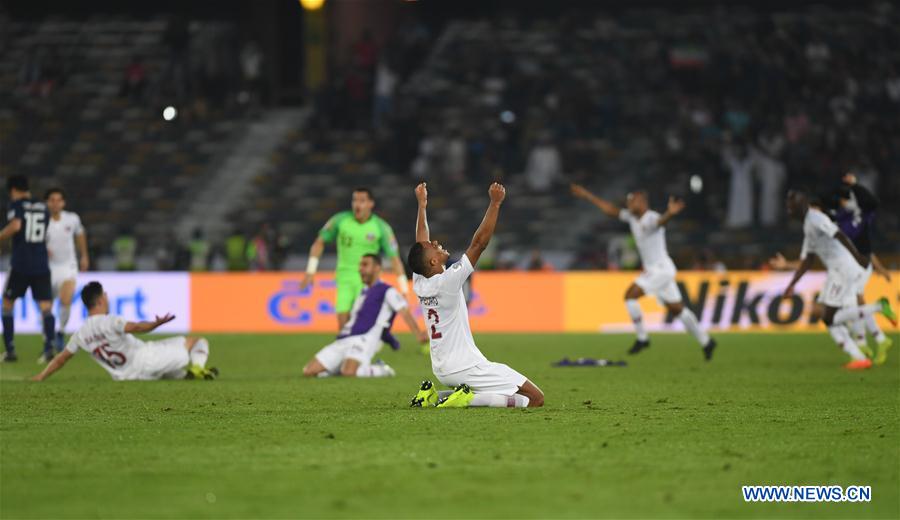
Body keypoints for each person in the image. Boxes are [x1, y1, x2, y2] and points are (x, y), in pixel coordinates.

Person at [407, 182, 544, 408]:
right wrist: (495, 203)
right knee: (536, 399)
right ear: (432, 261)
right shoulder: (447, 281)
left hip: (442, 369)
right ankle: (468, 399)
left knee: (518, 395)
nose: (436, 242)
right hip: (466, 367)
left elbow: (420, 242)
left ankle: (433, 396)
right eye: (433, 246)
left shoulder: (420, 280)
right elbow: (479, 243)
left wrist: (422, 206)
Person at [570, 184, 716, 359]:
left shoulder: (650, 217)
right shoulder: (632, 217)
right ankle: (707, 341)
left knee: (630, 295)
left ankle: (642, 338)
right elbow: (611, 210)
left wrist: (670, 213)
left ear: (643, 202)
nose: (629, 203)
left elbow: (661, 221)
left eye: (633, 200)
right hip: (660, 271)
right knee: (677, 309)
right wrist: (587, 194)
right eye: (629, 200)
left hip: (660, 269)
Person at [779, 190, 896, 370]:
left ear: (801, 205)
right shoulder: (808, 225)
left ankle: (878, 309)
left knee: (831, 317)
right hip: (836, 271)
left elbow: (839, 234)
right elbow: (807, 260)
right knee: (821, 313)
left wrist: (857, 257)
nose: (788, 209)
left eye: (790, 205)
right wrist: (791, 285)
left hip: (843, 269)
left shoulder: (816, 218)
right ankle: (859, 356)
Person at [31, 281, 216, 381]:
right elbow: (135, 327)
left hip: (128, 376)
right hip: (148, 359)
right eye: (105, 295)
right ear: (101, 300)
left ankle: (190, 375)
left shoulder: (80, 335)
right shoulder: (111, 321)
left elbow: (61, 359)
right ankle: (198, 367)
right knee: (196, 341)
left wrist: (41, 376)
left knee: (178, 375)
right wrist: (155, 324)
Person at [303, 254, 427, 378]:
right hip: (344, 339)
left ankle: (381, 369)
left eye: (365, 265)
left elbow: (404, 311)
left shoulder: (387, 290)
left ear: (377, 268)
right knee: (309, 371)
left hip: (364, 339)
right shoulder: (363, 293)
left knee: (349, 372)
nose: (360, 269)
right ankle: (341, 368)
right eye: (360, 265)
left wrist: (418, 334)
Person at [301, 188, 407, 331]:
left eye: (362, 201)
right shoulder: (340, 220)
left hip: (367, 279)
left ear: (370, 204)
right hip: (344, 276)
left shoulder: (381, 227)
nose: (357, 204)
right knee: (342, 320)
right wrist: (310, 270)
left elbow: (394, 259)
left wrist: (404, 288)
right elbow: (319, 242)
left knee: (361, 320)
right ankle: (349, 349)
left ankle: (362, 349)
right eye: (355, 200)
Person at [0, 176, 56, 363]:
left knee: (8, 302)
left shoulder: (16, 205)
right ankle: (48, 348)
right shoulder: (43, 207)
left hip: (21, 263)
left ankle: (10, 350)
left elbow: (16, 226)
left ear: (13, 190)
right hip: (41, 263)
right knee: (45, 306)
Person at [44, 188, 89, 350]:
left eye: (58, 200)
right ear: (47, 202)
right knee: (46, 306)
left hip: (68, 266)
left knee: (66, 300)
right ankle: (47, 338)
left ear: (63, 202)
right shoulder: (41, 221)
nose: (55, 203)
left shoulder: (72, 219)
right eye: (52, 200)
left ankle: (60, 332)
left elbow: (80, 234)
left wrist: (84, 255)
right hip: (47, 268)